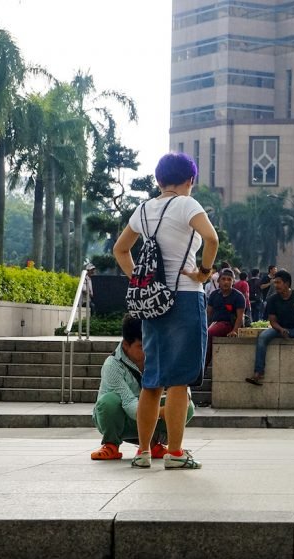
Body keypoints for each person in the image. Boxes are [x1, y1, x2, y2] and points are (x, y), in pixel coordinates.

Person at [112, 151, 218, 470]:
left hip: (153, 302)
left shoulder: (143, 209)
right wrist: (204, 271)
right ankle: (174, 452)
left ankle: (143, 451)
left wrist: (139, 279)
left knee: (152, 379)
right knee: (180, 381)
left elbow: (121, 249)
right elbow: (211, 238)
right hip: (185, 297)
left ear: (158, 180)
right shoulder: (187, 204)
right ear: (190, 180)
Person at [90, 316, 194, 461]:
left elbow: (180, 386)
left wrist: (176, 405)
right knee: (109, 402)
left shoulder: (157, 357)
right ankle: (111, 444)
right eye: (141, 346)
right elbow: (129, 404)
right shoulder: (112, 365)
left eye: (148, 344)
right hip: (122, 419)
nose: (147, 350)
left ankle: (154, 443)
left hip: (148, 414)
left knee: (186, 406)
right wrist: (161, 412)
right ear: (126, 345)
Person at [245, 269, 294, 387]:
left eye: (278, 282)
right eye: (275, 282)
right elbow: (272, 321)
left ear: (287, 284)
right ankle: (258, 373)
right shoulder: (272, 299)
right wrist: (281, 330)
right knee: (262, 337)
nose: (275, 285)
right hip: (278, 329)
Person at [206, 268, 246, 368]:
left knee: (209, 333)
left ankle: (203, 366)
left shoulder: (238, 296)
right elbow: (208, 313)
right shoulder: (214, 294)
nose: (226, 282)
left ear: (233, 281)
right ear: (219, 281)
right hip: (214, 324)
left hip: (228, 324)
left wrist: (234, 331)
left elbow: (240, 317)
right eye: (223, 279)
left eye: (229, 279)